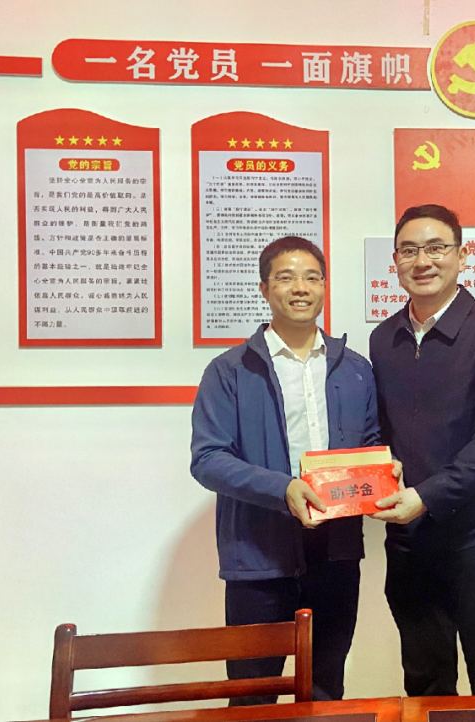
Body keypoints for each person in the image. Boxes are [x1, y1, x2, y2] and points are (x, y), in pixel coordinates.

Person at [191, 235, 385, 703]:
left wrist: (383, 471)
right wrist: (283, 489)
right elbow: (208, 458)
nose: (301, 287)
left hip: (336, 553)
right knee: (252, 695)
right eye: (286, 277)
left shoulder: (356, 369)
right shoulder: (229, 370)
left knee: (325, 690)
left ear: (324, 287)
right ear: (264, 288)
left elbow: (370, 444)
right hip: (258, 556)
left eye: (312, 277)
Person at [370, 204, 475, 696]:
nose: (423, 261)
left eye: (436, 248)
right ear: (395, 262)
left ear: (461, 257)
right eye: (409, 250)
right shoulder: (383, 338)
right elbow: (379, 431)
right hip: (411, 540)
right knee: (424, 679)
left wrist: (427, 496)